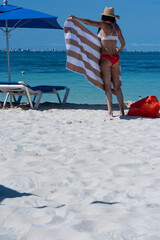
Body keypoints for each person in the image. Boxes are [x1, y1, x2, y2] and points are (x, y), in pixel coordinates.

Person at [69, 7, 125, 116]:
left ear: (104, 16)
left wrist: (76, 19)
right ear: (113, 17)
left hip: (106, 58)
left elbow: (89, 22)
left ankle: (110, 112)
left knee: (108, 87)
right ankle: (122, 112)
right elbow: (123, 43)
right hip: (116, 58)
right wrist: (119, 49)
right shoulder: (116, 27)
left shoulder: (103, 24)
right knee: (117, 87)